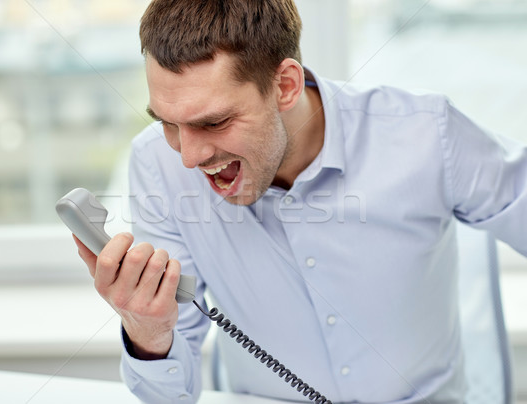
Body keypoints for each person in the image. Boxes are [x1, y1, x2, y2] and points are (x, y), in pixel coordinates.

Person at [74, 1, 527, 403]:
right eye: (169, 123)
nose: (188, 156)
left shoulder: (425, 134)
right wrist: (148, 330)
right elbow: (169, 398)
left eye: (213, 122)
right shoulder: (157, 163)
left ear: (286, 86)